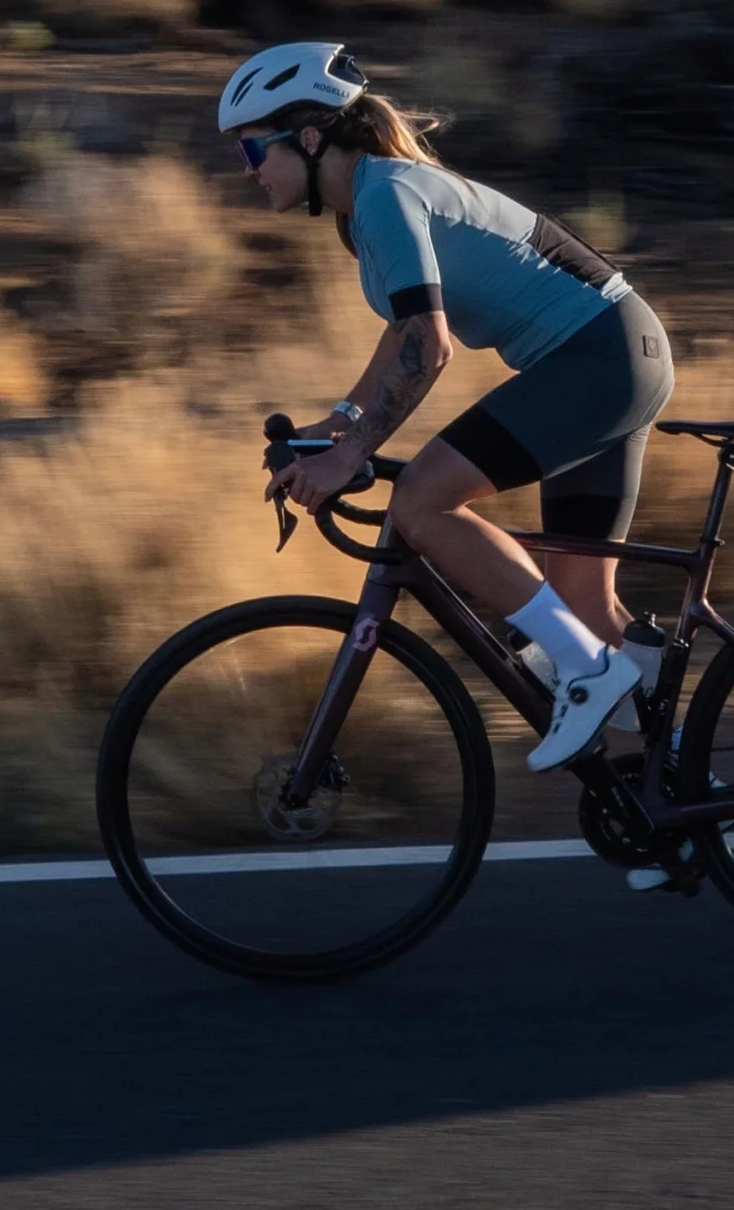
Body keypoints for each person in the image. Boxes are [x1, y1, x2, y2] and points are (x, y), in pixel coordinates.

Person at [219, 38, 675, 769]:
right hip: (615, 357)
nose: (247, 171)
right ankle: (683, 789)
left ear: (307, 138)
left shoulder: (385, 196)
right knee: (585, 610)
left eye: (251, 150)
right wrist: (342, 421)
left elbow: (429, 346)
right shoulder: (364, 207)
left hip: (598, 360)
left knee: (423, 502)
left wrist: (350, 454)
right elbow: (401, 331)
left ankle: (585, 674)